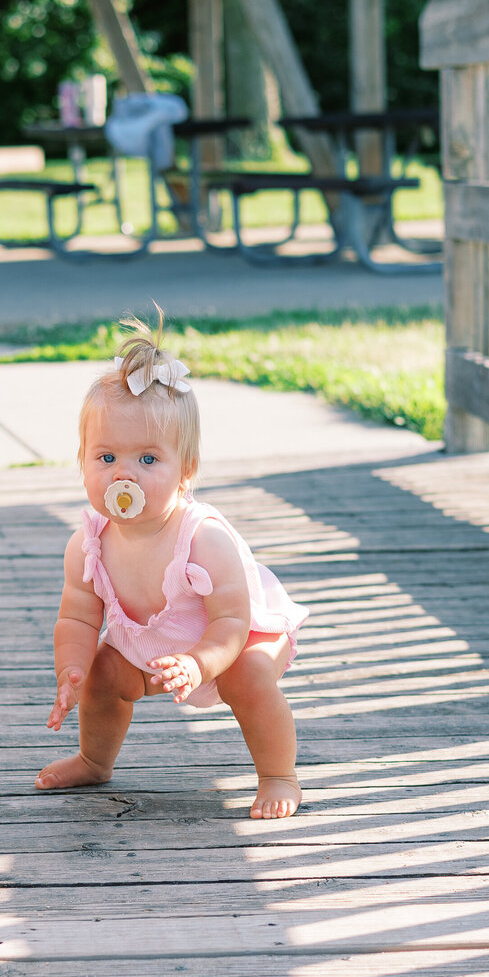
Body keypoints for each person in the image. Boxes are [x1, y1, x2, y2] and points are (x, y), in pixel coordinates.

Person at [36, 315, 308, 820]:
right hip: (155, 650)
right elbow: (77, 616)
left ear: (185, 471)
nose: (123, 472)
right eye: (106, 456)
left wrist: (201, 663)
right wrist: (70, 668)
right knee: (102, 671)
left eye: (147, 460)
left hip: (236, 637)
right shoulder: (88, 544)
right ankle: (95, 759)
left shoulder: (203, 539)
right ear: (82, 461)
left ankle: (278, 774)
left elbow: (231, 620)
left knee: (247, 678)